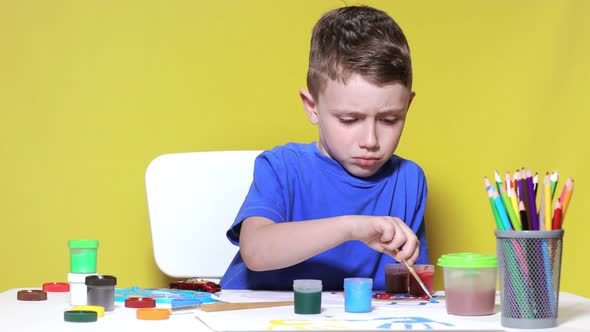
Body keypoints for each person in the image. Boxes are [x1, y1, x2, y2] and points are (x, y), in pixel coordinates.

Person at [220, 5, 428, 290]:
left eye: (390, 119)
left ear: (408, 106)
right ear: (312, 107)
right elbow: (255, 251)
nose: (370, 140)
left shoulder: (408, 180)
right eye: (349, 119)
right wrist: (351, 228)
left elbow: (411, 287)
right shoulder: (281, 167)